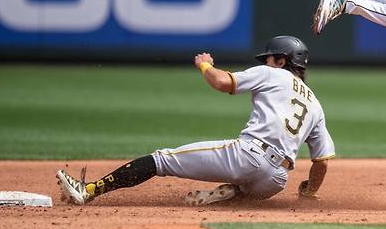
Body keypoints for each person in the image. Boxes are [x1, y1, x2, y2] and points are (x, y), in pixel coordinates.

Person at [56, 36, 335, 205]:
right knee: (249, 191)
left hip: (247, 156)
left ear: (282, 61)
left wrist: (205, 64)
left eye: (270, 58)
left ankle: (89, 190)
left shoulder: (273, 73)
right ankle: (234, 193)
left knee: (161, 160)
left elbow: (223, 82)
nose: (266, 61)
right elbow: (321, 161)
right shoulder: (316, 104)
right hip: (275, 180)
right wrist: (309, 192)